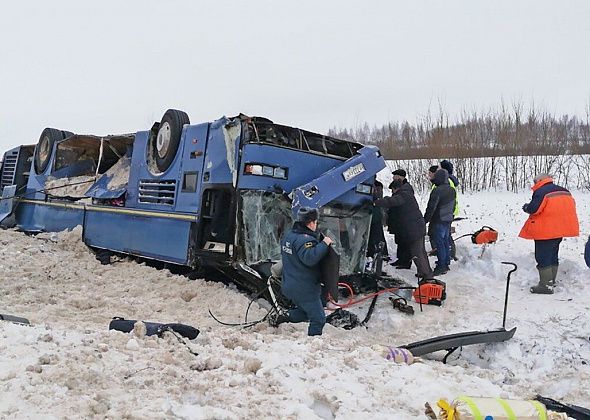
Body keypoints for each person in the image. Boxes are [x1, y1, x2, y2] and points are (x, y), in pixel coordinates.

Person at [273, 207, 334, 335]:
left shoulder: (289, 235)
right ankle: (312, 345)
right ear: (311, 222)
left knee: (306, 311)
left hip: (289, 285)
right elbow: (310, 258)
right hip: (304, 288)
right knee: (318, 318)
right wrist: (324, 244)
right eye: (316, 222)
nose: (316, 225)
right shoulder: (305, 240)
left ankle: (285, 316)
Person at [519, 174, 579, 294]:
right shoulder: (564, 191)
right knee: (552, 254)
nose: (534, 184)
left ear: (540, 181)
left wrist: (526, 207)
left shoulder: (541, 192)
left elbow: (534, 209)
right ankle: (552, 281)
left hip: (545, 230)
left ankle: (545, 285)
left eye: (535, 182)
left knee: (542, 256)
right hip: (561, 229)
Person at [375, 179, 434, 279]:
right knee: (420, 252)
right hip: (417, 227)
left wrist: (377, 202)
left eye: (392, 191)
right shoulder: (406, 193)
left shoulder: (404, 195)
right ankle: (424, 272)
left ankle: (427, 277)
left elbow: (393, 201)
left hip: (415, 229)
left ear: (395, 189)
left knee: (417, 253)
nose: (392, 193)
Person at [424, 168, 456, 276]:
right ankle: (446, 262)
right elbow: (453, 205)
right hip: (448, 219)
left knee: (440, 243)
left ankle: (442, 265)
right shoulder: (451, 189)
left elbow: (431, 207)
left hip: (439, 220)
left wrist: (425, 220)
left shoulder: (437, 191)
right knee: (446, 242)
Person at [387, 169, 413, 268]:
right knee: (399, 240)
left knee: (404, 241)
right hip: (398, 219)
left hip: (404, 219)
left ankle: (406, 261)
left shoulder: (406, 188)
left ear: (400, 177)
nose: (393, 178)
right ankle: (400, 259)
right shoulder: (400, 186)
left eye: (395, 176)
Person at [367, 180, 389, 259]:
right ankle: (374, 252)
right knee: (373, 235)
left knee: (377, 235)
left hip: (374, 215)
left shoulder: (377, 186)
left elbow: (378, 198)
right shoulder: (376, 185)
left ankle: (381, 252)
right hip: (372, 214)